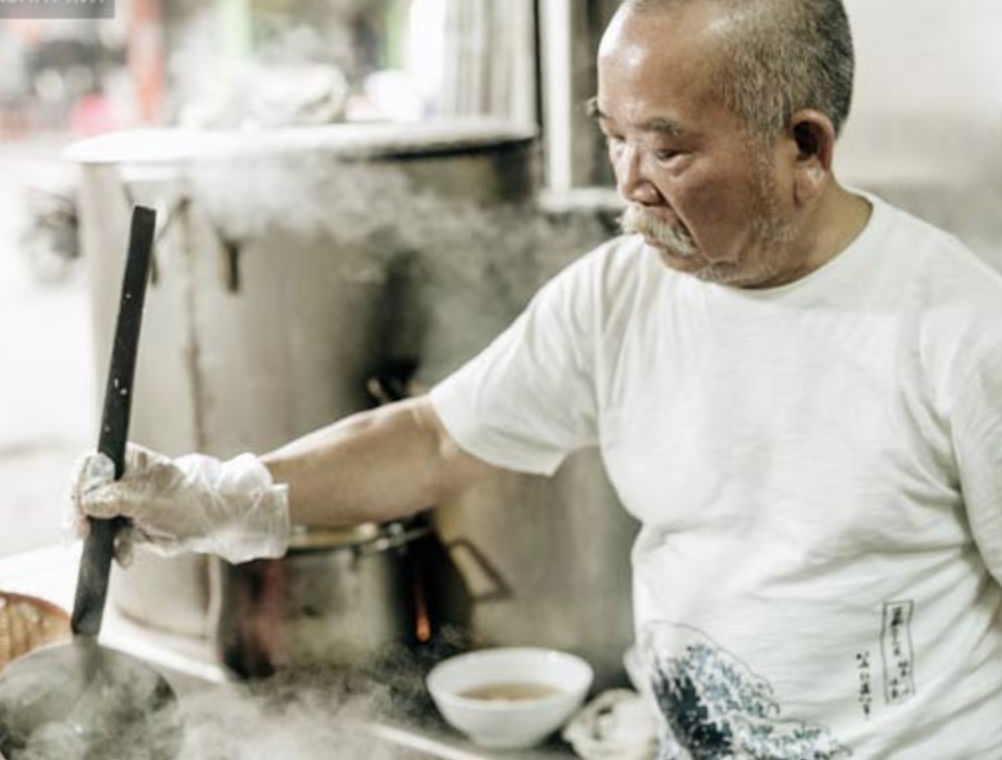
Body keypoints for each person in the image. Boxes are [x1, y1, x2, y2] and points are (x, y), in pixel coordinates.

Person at [73, 0, 1002, 758]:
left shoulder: (959, 329)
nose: (628, 185)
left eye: (669, 149)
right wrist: (213, 497)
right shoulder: (620, 293)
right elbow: (434, 438)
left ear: (806, 146)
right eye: (614, 138)